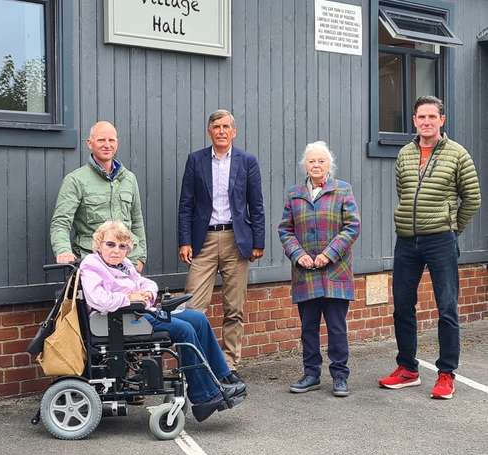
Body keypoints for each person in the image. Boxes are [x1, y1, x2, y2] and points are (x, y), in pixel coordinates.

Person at [79, 221, 246, 422]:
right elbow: (99, 300)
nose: (116, 250)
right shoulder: (92, 265)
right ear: (99, 244)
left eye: (122, 246)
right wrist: (130, 298)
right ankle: (204, 398)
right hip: (117, 321)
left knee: (198, 318)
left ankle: (221, 376)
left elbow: (145, 283)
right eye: (110, 244)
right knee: (184, 330)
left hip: (138, 314)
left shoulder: (125, 265)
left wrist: (148, 292)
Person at [379, 96, 481, 399]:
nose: (426, 122)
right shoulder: (405, 154)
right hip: (407, 240)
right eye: (421, 117)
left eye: (432, 117)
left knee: (447, 308)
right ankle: (408, 369)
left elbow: (472, 199)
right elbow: (403, 193)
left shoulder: (458, 154)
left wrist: (451, 228)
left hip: (440, 240)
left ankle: (446, 373)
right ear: (414, 120)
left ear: (442, 120)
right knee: (402, 306)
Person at [177, 109, 265, 386]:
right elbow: (186, 205)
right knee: (192, 307)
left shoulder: (247, 161)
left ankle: (228, 364)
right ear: (209, 131)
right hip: (203, 240)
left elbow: (257, 204)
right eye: (217, 126)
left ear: (234, 131)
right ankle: (198, 364)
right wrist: (185, 240)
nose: (222, 131)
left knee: (234, 308)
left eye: (227, 126)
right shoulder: (196, 160)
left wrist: (258, 242)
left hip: (236, 240)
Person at [278, 141, 360, 397]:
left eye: (321, 161)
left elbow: (352, 227)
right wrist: (298, 254)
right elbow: (285, 230)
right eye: (312, 161)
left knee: (337, 328)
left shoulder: (343, 190)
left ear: (329, 165)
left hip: (336, 272)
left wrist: (329, 254)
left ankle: (339, 376)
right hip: (305, 273)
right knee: (308, 328)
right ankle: (311, 374)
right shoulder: (294, 194)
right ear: (305, 165)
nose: (316, 165)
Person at [50, 121, 146, 272]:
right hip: (93, 264)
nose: (107, 145)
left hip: (128, 262)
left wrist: (141, 257)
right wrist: (63, 251)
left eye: (111, 140)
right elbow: (61, 223)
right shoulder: (75, 180)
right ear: (90, 143)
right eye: (101, 140)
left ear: (117, 143)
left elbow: (137, 221)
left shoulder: (129, 179)